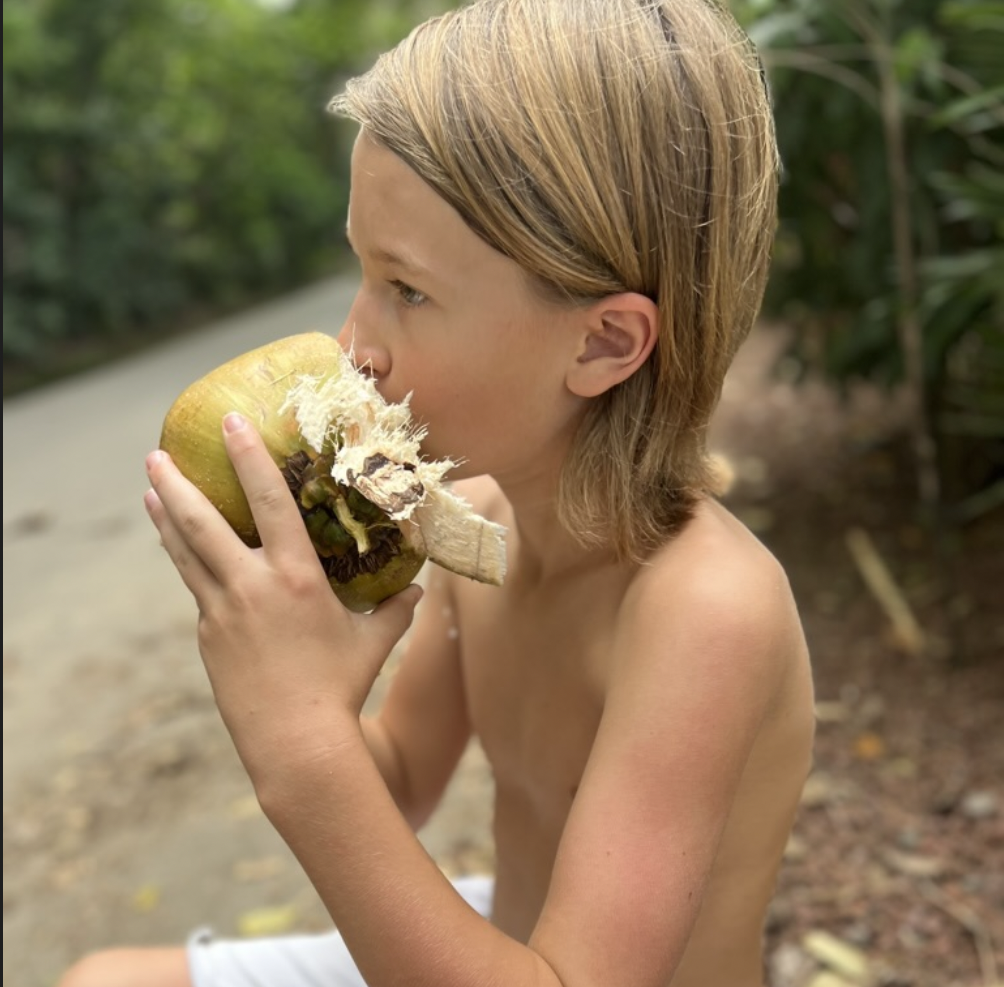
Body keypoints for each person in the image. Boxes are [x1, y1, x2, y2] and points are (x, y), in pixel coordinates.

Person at [58, 0, 816, 984]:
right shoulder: (476, 534)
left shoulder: (705, 614)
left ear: (600, 342)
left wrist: (304, 751)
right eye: (361, 273)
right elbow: (402, 779)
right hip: (497, 935)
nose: (350, 345)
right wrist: (290, 677)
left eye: (405, 291)